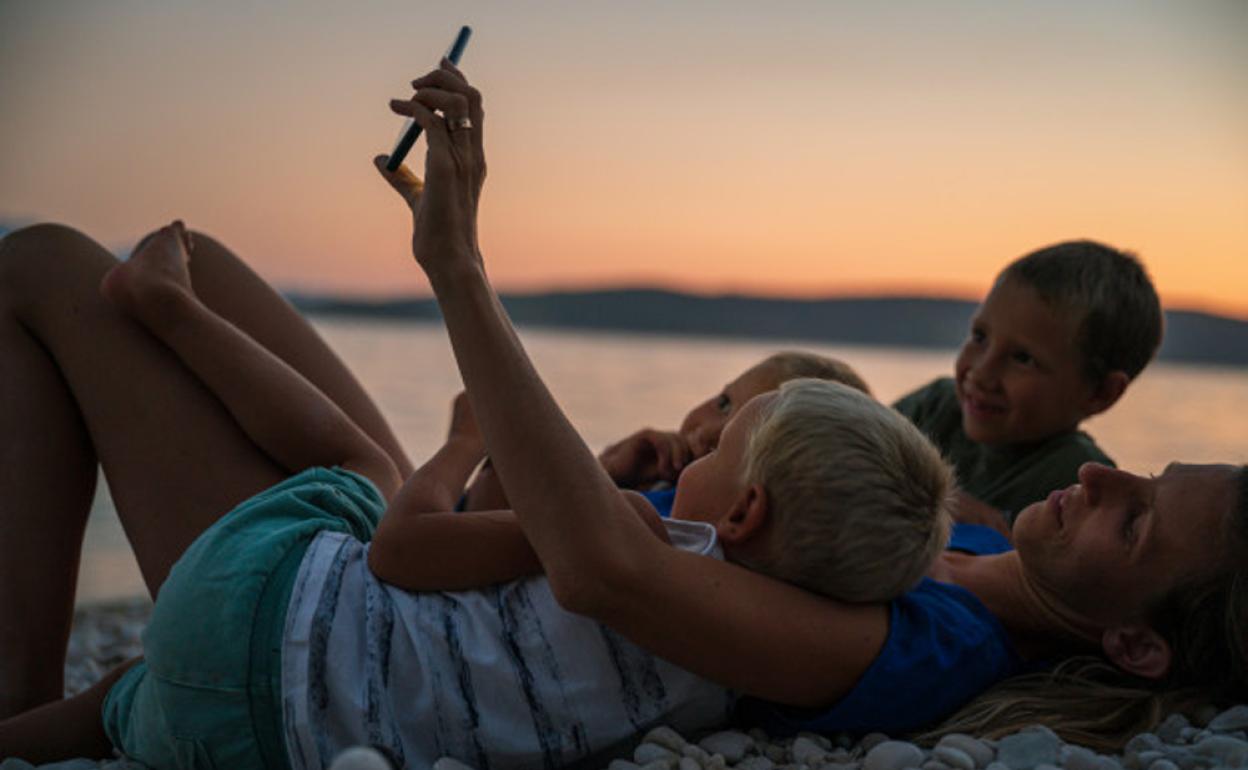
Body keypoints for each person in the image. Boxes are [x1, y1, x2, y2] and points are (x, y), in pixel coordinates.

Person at [1, 59, 1244, 764]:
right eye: (1146, 473)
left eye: (1137, 525)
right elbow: (798, 453)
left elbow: (604, 568)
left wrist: (460, 264)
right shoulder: (972, 535)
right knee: (198, 261)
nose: (1106, 481)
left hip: (283, 647)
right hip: (416, 586)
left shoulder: (916, 642)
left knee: (44, 268)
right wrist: (690, 442)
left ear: (1136, 645)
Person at [0, 222, 950, 761]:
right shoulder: (731, 672)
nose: (695, 443)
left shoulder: (634, 540)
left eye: (724, 436)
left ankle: (165, 309)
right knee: (137, 690)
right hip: (250, 733)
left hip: (254, 623)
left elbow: (407, 549)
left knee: (367, 473)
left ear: (745, 513)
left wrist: (459, 445)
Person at [893, 240, 1164, 534]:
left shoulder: (1084, 486)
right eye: (980, 336)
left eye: (1023, 358)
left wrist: (1006, 540)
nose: (982, 373)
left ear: (1100, 393)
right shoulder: (933, 407)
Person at [463, 350, 871, 514]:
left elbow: (479, 519)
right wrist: (607, 471)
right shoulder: (658, 489)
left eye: (743, 433)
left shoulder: (670, 519)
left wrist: (466, 444)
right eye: (724, 402)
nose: (707, 431)